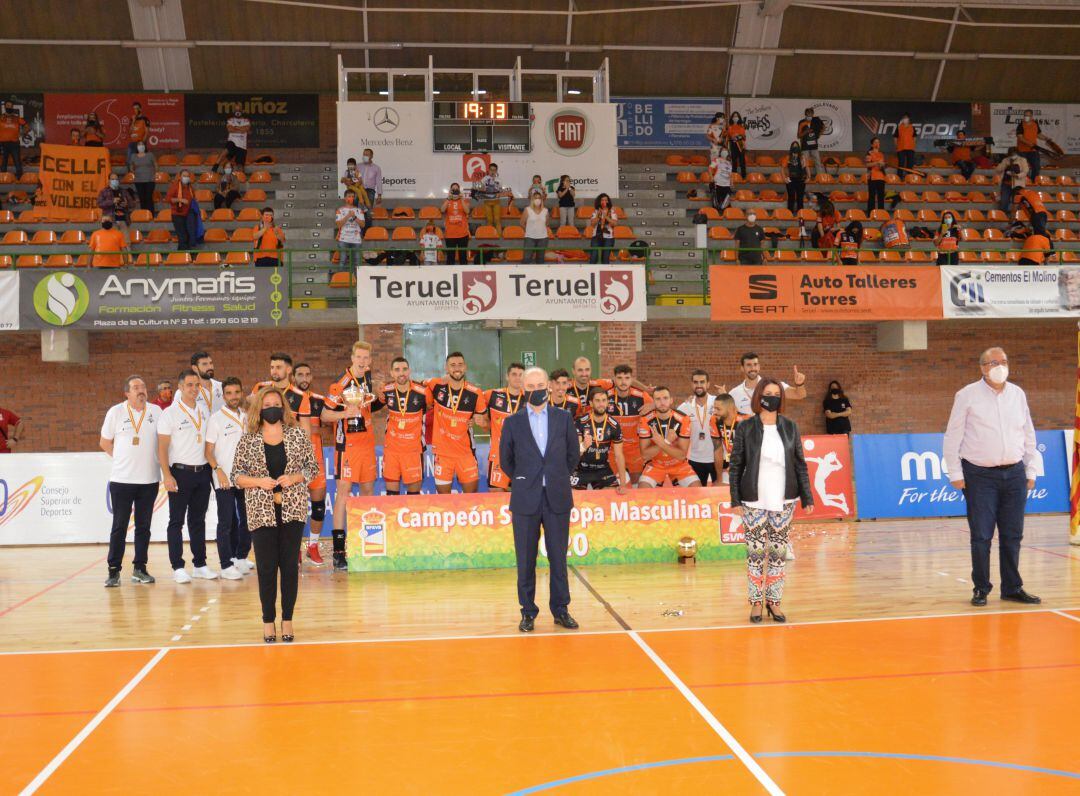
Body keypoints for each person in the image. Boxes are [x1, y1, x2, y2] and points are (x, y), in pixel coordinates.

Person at [943, 347, 1040, 607]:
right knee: (982, 535)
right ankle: (981, 588)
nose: (1000, 366)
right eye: (994, 362)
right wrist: (954, 472)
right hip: (979, 475)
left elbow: (1028, 433)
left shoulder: (1018, 394)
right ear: (983, 367)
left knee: (1012, 534)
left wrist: (1031, 470)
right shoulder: (966, 395)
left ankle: (1012, 587)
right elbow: (953, 436)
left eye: (1004, 361)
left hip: (1015, 473)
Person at [231, 386, 319, 643]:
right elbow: (236, 476)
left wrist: (295, 477)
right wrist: (258, 482)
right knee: (266, 569)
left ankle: (288, 620)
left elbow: (312, 468)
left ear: (283, 407)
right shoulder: (248, 439)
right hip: (261, 512)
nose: (272, 407)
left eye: (276, 403)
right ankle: (268, 622)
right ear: (260, 408)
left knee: (289, 567)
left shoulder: (297, 436)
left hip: (293, 510)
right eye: (267, 403)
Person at [499, 367, 580, 633]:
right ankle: (528, 612)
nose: (536, 390)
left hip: (557, 497)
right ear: (524, 389)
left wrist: (555, 476)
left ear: (549, 385)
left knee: (558, 558)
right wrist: (526, 479)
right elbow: (506, 461)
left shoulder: (564, 418)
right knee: (526, 560)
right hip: (525, 500)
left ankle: (561, 610)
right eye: (531, 386)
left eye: (540, 384)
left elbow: (572, 455)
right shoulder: (512, 422)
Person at [729, 379, 814, 623]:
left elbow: (800, 463)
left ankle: (774, 603)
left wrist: (807, 496)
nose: (773, 397)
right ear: (759, 396)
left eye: (777, 394)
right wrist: (735, 499)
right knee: (755, 554)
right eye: (768, 393)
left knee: (778, 553)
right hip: (753, 500)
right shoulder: (745, 428)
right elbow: (735, 466)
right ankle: (756, 603)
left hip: (784, 499)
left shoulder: (790, 426)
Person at [323, 340, 382, 569]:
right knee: (344, 493)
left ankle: (368, 543)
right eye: (359, 357)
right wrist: (345, 413)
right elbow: (325, 415)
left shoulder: (367, 378)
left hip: (367, 445)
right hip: (347, 447)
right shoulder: (342, 382)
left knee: (368, 491)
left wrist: (378, 395)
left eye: (367, 358)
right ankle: (339, 551)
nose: (363, 361)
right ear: (352, 357)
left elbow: (369, 407)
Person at [100, 376, 162, 587]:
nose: (141, 390)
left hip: (149, 480)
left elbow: (163, 442)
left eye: (143, 387)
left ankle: (140, 568)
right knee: (119, 526)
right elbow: (104, 442)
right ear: (126, 393)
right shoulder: (115, 412)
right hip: (122, 481)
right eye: (136, 388)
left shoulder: (156, 411)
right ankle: (114, 570)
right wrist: (121, 460)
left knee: (144, 527)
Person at [157, 368, 215, 584]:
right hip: (180, 473)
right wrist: (167, 475)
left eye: (196, 385)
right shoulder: (169, 414)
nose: (193, 389)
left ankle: (200, 564)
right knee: (176, 521)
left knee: (198, 521)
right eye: (189, 385)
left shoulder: (203, 410)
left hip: (202, 473)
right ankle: (178, 567)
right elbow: (161, 448)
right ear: (180, 387)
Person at [205, 377, 252, 581]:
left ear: (242, 393)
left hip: (246, 477)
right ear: (224, 396)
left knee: (248, 519)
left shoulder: (247, 417)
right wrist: (219, 470)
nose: (234, 396)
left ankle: (240, 557)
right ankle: (225, 564)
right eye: (229, 393)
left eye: (237, 392)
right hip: (223, 477)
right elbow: (208, 452)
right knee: (226, 521)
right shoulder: (215, 419)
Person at [424, 351, 488, 495]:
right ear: (446, 368)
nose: (457, 368)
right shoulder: (436, 385)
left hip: (465, 453)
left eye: (460, 365)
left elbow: (486, 425)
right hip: (442, 454)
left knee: (470, 499)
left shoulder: (475, 392)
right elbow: (418, 384)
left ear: (465, 367)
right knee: (443, 501)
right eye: (452, 365)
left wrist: (480, 422)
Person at [292, 363, 329, 562]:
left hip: (316, 461)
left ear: (312, 377)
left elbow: (328, 420)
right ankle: (294, 548)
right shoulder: (287, 400)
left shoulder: (319, 400)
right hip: (294, 463)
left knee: (318, 507)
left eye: (307, 374)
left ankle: (312, 546)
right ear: (293, 377)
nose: (304, 378)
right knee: (295, 508)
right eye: (300, 375)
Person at [380, 357, 428, 496]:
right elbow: (370, 407)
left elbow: (440, 407)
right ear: (391, 373)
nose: (401, 373)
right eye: (397, 370)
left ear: (409, 371)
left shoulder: (423, 392)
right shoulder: (385, 391)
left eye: (404, 369)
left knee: (413, 499)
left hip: (413, 451)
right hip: (392, 451)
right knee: (392, 497)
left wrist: (471, 419)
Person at [638, 387, 700, 488]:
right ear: (653, 402)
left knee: (696, 489)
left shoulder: (683, 419)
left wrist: (662, 443)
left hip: (678, 464)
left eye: (665, 398)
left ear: (671, 400)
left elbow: (681, 455)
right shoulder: (645, 420)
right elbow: (645, 455)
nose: (662, 402)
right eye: (658, 399)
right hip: (655, 465)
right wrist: (667, 441)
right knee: (643, 490)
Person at [572, 387, 627, 493]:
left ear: (607, 402)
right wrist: (583, 445)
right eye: (597, 401)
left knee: (612, 496)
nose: (601, 404)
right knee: (573, 496)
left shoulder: (614, 425)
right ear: (591, 403)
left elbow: (619, 455)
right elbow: (575, 454)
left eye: (604, 400)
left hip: (602, 468)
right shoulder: (580, 422)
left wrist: (623, 484)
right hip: (581, 468)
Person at [607, 364, 652, 485]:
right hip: (613, 449)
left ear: (632, 380)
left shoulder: (642, 396)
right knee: (618, 484)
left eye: (627, 378)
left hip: (634, 448)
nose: (623, 382)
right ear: (614, 379)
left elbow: (663, 406)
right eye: (620, 378)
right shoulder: (605, 397)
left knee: (636, 482)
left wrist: (653, 405)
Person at [483, 363, 526, 492]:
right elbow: (473, 400)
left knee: (523, 497)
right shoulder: (492, 395)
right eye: (514, 374)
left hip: (523, 457)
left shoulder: (530, 399)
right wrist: (477, 419)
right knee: (496, 497)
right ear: (507, 376)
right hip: (498, 456)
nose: (517, 378)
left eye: (521, 375)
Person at [678, 370, 722, 486]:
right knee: (697, 496)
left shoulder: (718, 402)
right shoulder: (685, 407)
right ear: (692, 384)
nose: (699, 385)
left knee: (719, 493)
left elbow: (732, 417)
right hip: (695, 458)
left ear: (708, 384)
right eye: (695, 382)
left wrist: (725, 395)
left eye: (702, 382)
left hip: (716, 459)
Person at [729, 353, 808, 417]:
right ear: (742, 368)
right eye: (749, 365)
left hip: (769, 434)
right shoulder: (734, 393)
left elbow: (799, 395)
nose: (753, 368)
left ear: (759, 367)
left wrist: (800, 384)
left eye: (755, 364)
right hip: (746, 436)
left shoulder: (773, 386)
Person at [175, 351, 224, 415]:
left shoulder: (222, 387)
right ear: (195, 368)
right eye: (204, 364)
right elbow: (176, 414)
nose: (210, 367)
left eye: (211, 363)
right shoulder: (183, 392)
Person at [713, 393, 743, 483]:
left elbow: (754, 451)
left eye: (718, 409)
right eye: (714, 408)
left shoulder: (746, 421)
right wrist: (719, 479)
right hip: (731, 464)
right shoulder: (714, 420)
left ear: (730, 409)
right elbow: (718, 450)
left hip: (749, 467)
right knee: (718, 489)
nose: (715, 412)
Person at [165, 170, 198, 251]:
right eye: (184, 175)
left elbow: (193, 197)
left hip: (188, 214)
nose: (186, 178)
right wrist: (180, 200)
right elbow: (168, 199)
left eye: (187, 176)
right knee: (182, 236)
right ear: (180, 177)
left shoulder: (190, 187)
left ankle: (182, 255)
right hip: (177, 214)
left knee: (188, 235)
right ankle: (185, 254)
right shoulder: (175, 186)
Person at [335, 191, 365, 273]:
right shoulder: (340, 210)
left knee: (358, 261)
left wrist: (354, 217)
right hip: (343, 239)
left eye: (352, 196)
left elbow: (363, 225)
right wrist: (348, 216)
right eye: (349, 196)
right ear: (345, 198)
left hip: (356, 239)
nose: (351, 198)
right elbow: (338, 224)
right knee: (343, 260)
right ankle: (342, 280)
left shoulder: (359, 210)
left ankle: (358, 282)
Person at [442, 182, 471, 265]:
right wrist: (448, 198)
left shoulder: (464, 201)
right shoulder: (447, 201)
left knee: (463, 257)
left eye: (456, 189)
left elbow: (467, 211)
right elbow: (442, 210)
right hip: (450, 234)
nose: (455, 191)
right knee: (450, 257)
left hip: (463, 233)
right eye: (453, 189)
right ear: (450, 190)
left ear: (459, 190)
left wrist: (461, 199)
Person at [477, 163, 510, 233]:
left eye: (494, 170)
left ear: (496, 171)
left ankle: (499, 236)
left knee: (497, 220)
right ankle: (490, 235)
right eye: (491, 170)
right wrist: (481, 188)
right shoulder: (484, 179)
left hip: (496, 202)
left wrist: (500, 193)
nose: (492, 171)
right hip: (487, 202)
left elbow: (500, 191)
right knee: (489, 220)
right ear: (488, 170)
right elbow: (479, 189)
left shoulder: (499, 180)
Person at [1015, 109, 1047, 180]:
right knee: (1022, 167)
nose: (1026, 117)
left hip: (1033, 150)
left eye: (1028, 115)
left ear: (1031, 116)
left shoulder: (1035, 124)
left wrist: (1046, 138)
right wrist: (1030, 144)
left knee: (1036, 167)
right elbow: (1020, 137)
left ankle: (1033, 181)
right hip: (1022, 151)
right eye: (1025, 115)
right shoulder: (1021, 125)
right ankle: (1022, 181)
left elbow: (1038, 134)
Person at [215, 110, 251, 174]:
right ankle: (215, 169)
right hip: (232, 142)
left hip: (242, 145)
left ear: (242, 111)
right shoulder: (230, 120)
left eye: (239, 110)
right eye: (236, 110)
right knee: (224, 154)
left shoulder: (246, 121)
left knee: (240, 165)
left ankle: (241, 177)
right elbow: (230, 129)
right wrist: (241, 129)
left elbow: (246, 129)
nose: (238, 112)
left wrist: (235, 127)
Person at [127, 141, 157, 214]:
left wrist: (155, 172)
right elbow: (131, 165)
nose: (141, 146)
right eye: (139, 145)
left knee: (148, 197)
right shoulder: (133, 155)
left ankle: (151, 214)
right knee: (142, 198)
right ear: (136, 147)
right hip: (138, 180)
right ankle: (144, 213)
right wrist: (132, 170)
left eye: (142, 144)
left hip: (150, 179)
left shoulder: (150, 154)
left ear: (145, 146)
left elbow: (155, 164)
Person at [996, 147, 1029, 212]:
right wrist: (1005, 165)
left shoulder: (1022, 160)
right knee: (1004, 201)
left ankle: (1015, 217)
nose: (1013, 155)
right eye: (1011, 154)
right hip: (1006, 184)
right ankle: (1003, 216)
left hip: (1018, 185)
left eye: (1014, 154)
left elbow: (1025, 171)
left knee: (1017, 203)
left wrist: (1017, 175)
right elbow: (998, 169)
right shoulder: (1005, 160)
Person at [0, 102, 28, 178]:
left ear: (13, 107)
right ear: (4, 107)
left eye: (11, 106)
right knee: (3, 162)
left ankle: (19, 178)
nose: (9, 107)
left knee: (17, 161)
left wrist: (22, 133)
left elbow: (26, 126)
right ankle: (2, 178)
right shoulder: (1, 117)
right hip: (3, 143)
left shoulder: (16, 117)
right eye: (8, 106)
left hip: (14, 143)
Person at [358, 148, 383, 229]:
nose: (365, 156)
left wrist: (379, 195)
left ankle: (367, 231)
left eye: (367, 154)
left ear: (371, 156)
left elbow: (379, 182)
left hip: (370, 191)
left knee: (368, 212)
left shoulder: (376, 168)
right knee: (359, 211)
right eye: (364, 154)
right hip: (359, 190)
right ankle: (358, 230)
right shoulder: (358, 166)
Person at [782, 141, 809, 213]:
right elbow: (782, 168)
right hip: (790, 179)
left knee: (800, 198)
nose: (795, 148)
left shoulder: (802, 157)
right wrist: (784, 178)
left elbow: (806, 167)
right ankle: (789, 213)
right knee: (791, 197)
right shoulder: (788, 157)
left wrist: (809, 177)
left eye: (796, 146)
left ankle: (800, 214)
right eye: (794, 146)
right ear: (791, 148)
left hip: (801, 179)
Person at [797, 107, 825, 177]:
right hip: (805, 146)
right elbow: (799, 136)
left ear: (813, 114)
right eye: (808, 114)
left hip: (814, 146)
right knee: (804, 162)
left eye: (811, 114)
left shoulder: (816, 120)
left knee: (818, 162)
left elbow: (824, 127)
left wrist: (819, 134)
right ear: (805, 114)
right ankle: (804, 176)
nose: (809, 115)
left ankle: (820, 177)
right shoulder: (801, 122)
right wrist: (806, 131)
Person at [589, 193, 616, 264]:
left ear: (608, 201)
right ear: (599, 202)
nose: (604, 201)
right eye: (602, 200)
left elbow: (614, 223)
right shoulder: (595, 211)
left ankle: (605, 274)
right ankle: (591, 273)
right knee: (593, 258)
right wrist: (598, 216)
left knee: (605, 259)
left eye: (605, 200)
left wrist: (605, 216)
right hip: (596, 237)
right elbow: (592, 224)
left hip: (608, 237)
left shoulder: (612, 211)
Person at [522, 192, 549, 263]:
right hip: (530, 238)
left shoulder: (545, 210)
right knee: (527, 259)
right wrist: (529, 230)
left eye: (539, 198)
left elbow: (547, 223)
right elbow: (522, 223)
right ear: (532, 199)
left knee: (540, 259)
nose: (537, 200)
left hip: (543, 238)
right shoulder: (527, 210)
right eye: (535, 198)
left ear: (542, 200)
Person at [709, 147, 733, 213]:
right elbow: (710, 169)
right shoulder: (716, 160)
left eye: (726, 150)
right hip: (717, 184)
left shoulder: (729, 163)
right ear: (721, 152)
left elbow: (730, 174)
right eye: (723, 150)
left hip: (726, 185)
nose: (725, 152)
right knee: (716, 203)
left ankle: (725, 214)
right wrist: (711, 177)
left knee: (726, 203)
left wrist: (731, 183)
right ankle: (715, 214)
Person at [866, 137, 886, 213]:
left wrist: (883, 165)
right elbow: (868, 164)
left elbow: (883, 166)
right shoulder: (869, 153)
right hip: (872, 177)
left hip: (881, 177)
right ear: (872, 144)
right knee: (872, 197)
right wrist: (877, 163)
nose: (877, 144)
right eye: (875, 142)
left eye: (878, 142)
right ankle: (871, 213)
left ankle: (881, 213)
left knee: (881, 197)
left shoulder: (881, 154)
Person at [725, 112, 747, 180]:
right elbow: (728, 137)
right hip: (733, 145)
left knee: (742, 162)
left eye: (737, 116)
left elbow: (743, 137)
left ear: (739, 118)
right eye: (734, 116)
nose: (735, 118)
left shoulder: (741, 127)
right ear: (732, 118)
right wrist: (732, 137)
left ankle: (744, 177)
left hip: (740, 145)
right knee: (734, 161)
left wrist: (737, 136)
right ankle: (734, 176)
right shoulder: (729, 127)